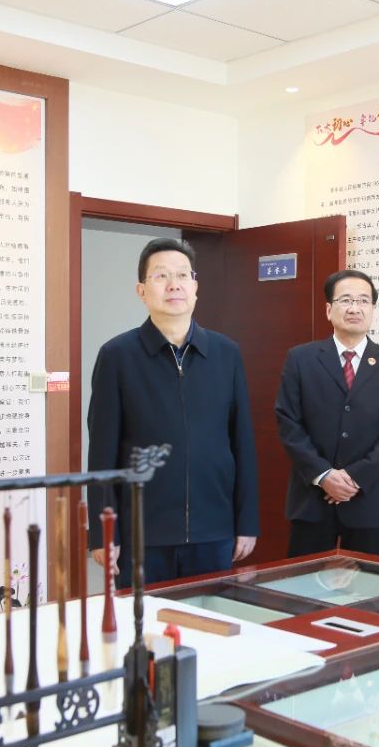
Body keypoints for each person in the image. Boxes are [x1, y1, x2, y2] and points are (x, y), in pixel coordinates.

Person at [87, 237, 259, 585]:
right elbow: (102, 453)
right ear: (141, 291)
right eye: (161, 276)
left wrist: (247, 521)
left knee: (211, 617)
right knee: (144, 620)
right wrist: (103, 532)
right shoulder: (117, 356)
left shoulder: (225, 353)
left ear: (195, 287)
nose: (173, 284)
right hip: (142, 533)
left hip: (214, 530)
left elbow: (242, 443)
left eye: (182, 275)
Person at [275, 270, 379, 557]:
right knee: (305, 580)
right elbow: (288, 422)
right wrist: (324, 475)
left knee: (367, 582)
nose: (355, 308)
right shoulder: (300, 359)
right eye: (346, 300)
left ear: (373, 309)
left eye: (363, 301)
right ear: (329, 310)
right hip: (311, 499)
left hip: (367, 500)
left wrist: (354, 478)